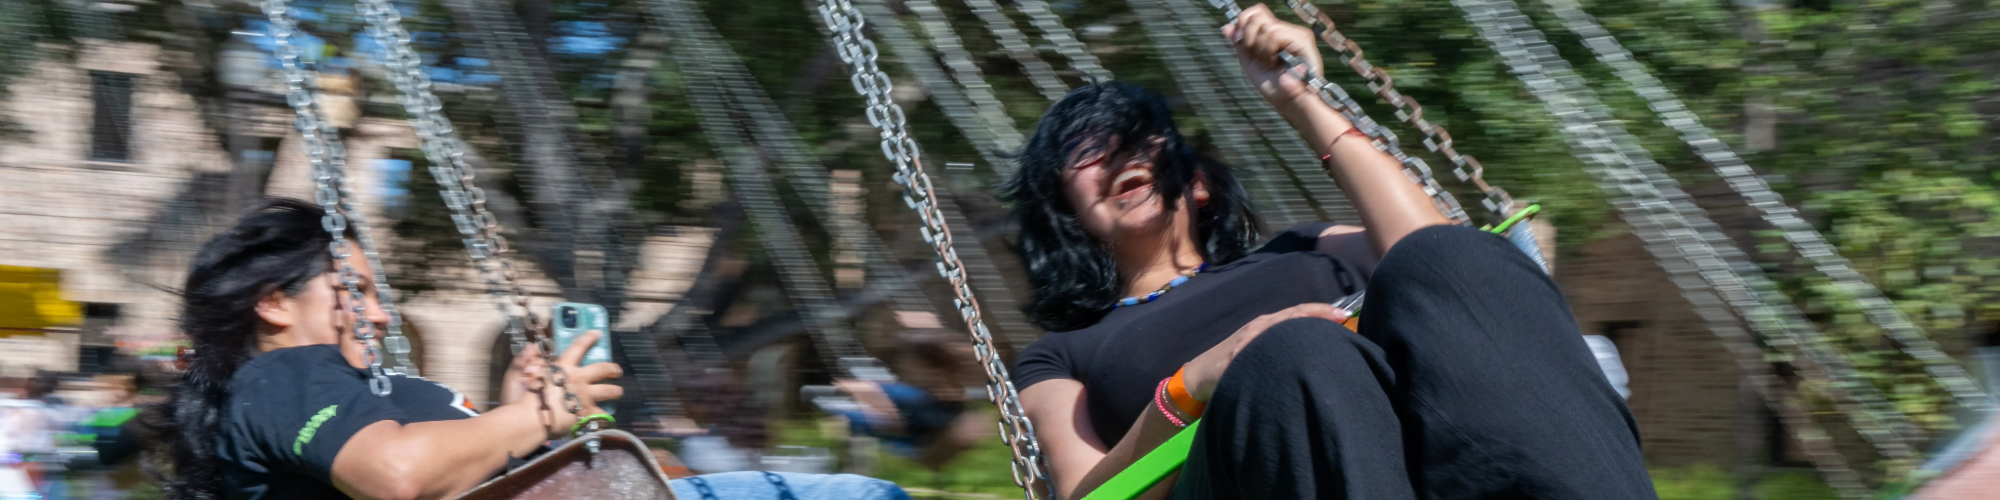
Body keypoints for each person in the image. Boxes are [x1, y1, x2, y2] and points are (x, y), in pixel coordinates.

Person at [1003, 5, 1656, 499]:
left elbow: (1445, 261)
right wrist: (1194, 383)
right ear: (1064, 211)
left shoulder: (1306, 246)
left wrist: (1299, 97)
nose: (1117, 151)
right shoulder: (1062, 353)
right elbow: (1086, 490)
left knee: (1446, 258)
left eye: (1141, 137)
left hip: (1411, 453)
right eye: (1084, 150)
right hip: (1237, 467)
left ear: (1197, 183)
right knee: (1296, 355)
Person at [140, 198, 910, 500]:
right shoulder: (280, 375)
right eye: (356, 292)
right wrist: (546, 411)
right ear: (273, 303)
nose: (377, 313)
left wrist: (509, 410)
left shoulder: (321, 384)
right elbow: (399, 474)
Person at [830, 330, 991, 470]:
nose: (904, 366)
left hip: (917, 432)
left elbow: (896, 424)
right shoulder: (939, 392)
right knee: (861, 398)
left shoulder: (922, 400)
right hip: (923, 424)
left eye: (910, 362)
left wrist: (874, 402)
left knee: (851, 411)